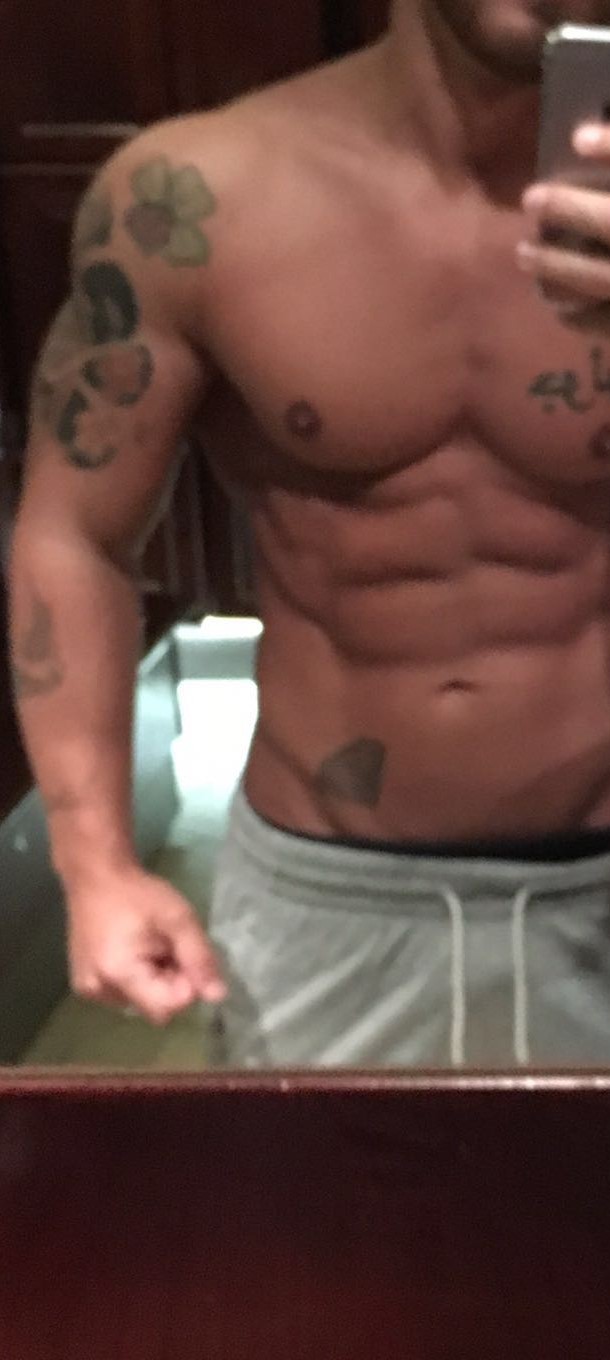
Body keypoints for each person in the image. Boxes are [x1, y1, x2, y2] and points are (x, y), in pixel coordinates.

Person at [10, 0, 610, 1069]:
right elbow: (75, 533)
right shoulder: (195, 198)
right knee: (306, 1188)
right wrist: (94, 863)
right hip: (328, 900)